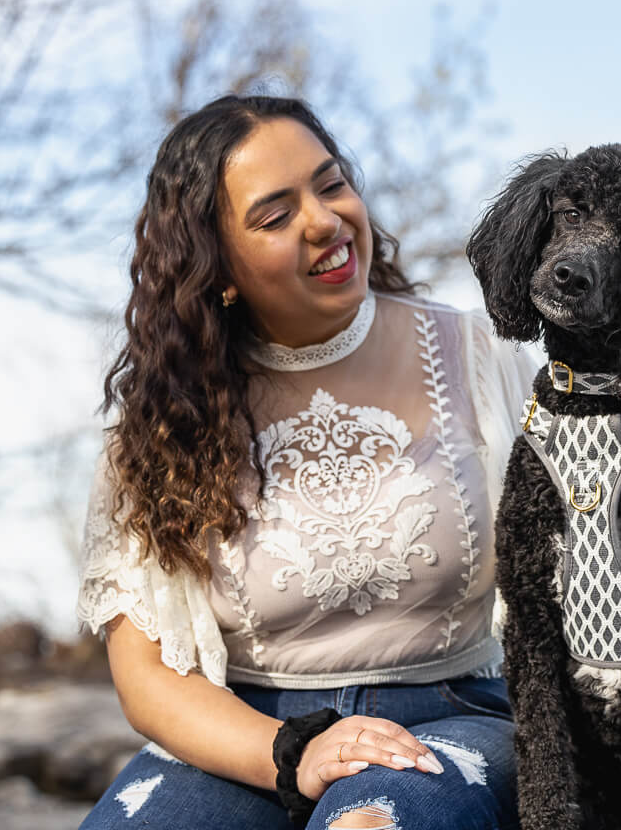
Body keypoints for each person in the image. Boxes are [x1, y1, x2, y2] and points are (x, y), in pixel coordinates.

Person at [75, 95, 531, 830]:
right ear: (216, 265)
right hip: (245, 735)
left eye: (331, 184)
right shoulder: (158, 429)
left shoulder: (481, 357)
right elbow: (149, 678)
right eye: (274, 215)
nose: (324, 220)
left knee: (373, 821)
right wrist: (293, 751)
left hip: (457, 715)